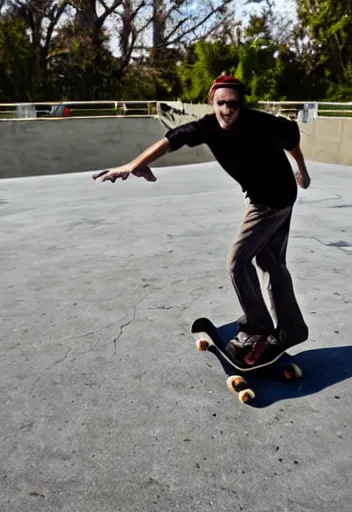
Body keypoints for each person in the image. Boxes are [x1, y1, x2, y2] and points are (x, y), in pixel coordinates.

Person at [92, 75, 311, 367]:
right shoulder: (206, 127)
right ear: (212, 101)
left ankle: (258, 327)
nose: (227, 111)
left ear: (241, 104)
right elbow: (171, 140)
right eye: (221, 104)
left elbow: (292, 139)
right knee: (269, 261)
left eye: (233, 104)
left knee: (238, 260)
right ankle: (291, 328)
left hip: (272, 200)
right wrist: (135, 165)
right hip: (269, 195)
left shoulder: (262, 122)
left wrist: (302, 170)